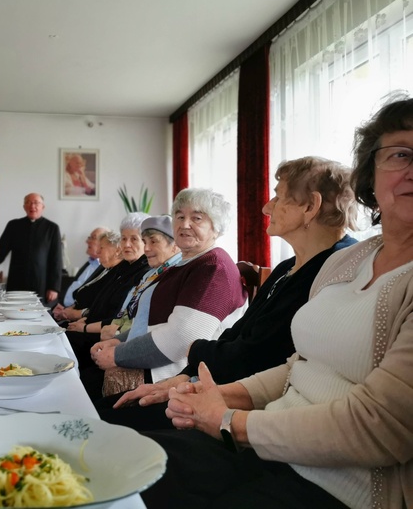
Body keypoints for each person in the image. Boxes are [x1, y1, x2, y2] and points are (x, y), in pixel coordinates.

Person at [140, 98, 413, 508]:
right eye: (401, 154)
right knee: (129, 465)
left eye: (278, 196)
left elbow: (380, 426)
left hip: (341, 486)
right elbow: (297, 364)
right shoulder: (347, 260)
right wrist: (220, 397)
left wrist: (230, 421)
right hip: (269, 447)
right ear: (371, 174)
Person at [96, 156, 358, 430]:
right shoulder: (288, 267)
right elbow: (240, 335)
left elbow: (257, 355)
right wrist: (182, 378)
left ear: (311, 206)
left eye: (278, 197)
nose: (267, 206)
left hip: (253, 407)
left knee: (101, 420)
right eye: (179, 217)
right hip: (218, 380)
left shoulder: (334, 270)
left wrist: (191, 363)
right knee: (101, 412)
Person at [89, 190, 247, 397]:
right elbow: (152, 322)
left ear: (216, 228)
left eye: (196, 218)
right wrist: (119, 340)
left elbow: (181, 340)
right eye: (180, 217)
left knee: (81, 393)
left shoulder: (213, 268)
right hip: (159, 365)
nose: (185, 224)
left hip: (178, 378)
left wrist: (117, 355)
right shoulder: (185, 264)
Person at [65, 212, 151, 398]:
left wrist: (85, 327)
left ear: (146, 241)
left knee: (64, 346)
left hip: (106, 337)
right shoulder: (124, 266)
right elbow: (96, 299)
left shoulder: (144, 271)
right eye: (124, 239)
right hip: (95, 330)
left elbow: (120, 317)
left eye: (134, 239)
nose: (127, 244)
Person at [0, 193, 62, 303]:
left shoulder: (52, 228)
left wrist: (54, 287)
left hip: (41, 282)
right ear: (24, 207)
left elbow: (56, 260)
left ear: (43, 207)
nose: (32, 206)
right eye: (28, 202)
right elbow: (1, 249)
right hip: (17, 280)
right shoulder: (14, 225)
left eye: (36, 203)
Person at [53, 226, 107, 320]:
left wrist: (67, 311)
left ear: (104, 244)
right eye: (89, 237)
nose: (88, 241)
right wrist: (61, 305)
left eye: (93, 238)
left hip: (78, 317)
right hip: (63, 309)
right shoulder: (89, 263)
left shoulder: (104, 268)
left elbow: (91, 300)